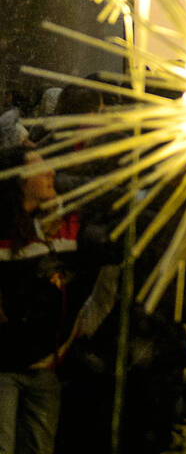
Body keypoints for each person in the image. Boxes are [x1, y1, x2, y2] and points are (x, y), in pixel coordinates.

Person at [0, 146, 116, 454]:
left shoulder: (65, 228)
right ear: (20, 180)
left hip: (46, 366)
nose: (52, 172)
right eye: (42, 168)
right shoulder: (6, 232)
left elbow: (95, 275)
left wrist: (77, 329)